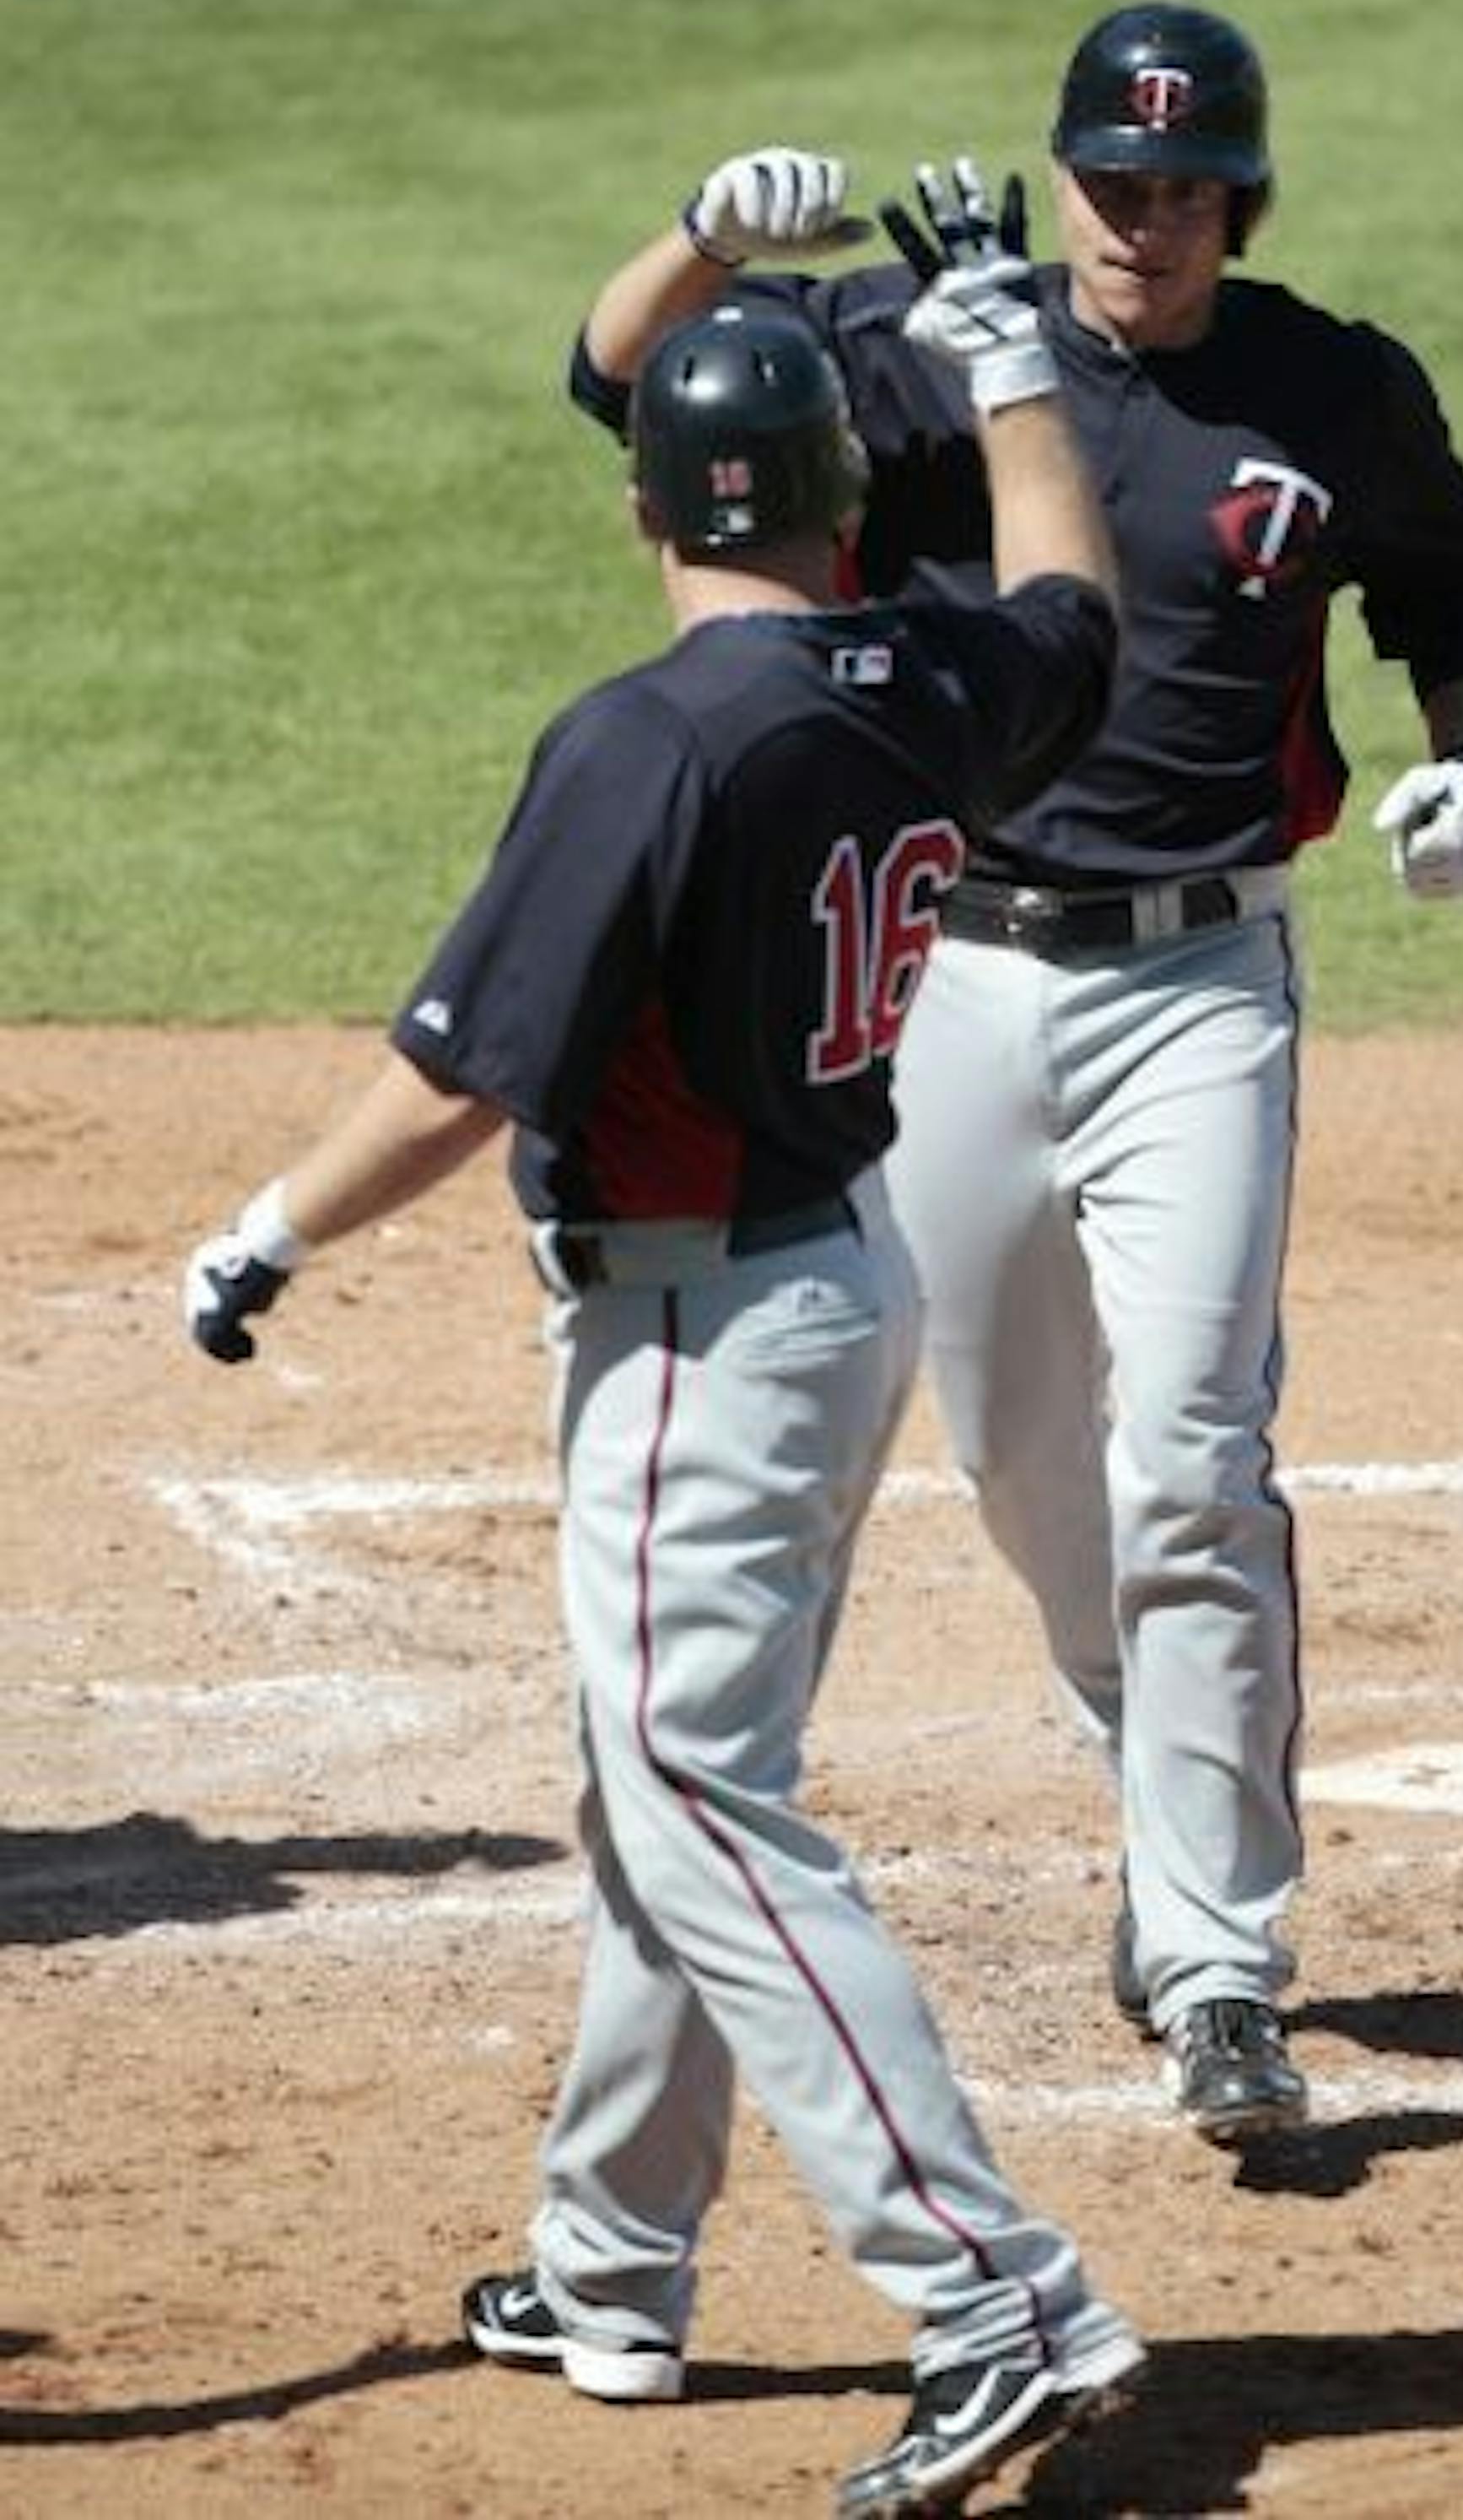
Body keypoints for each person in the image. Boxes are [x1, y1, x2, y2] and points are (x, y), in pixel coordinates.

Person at [180, 229, 1145, 2520]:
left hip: (706, 1332)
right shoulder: (920, 676)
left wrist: (265, 1232)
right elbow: (1077, 627)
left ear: (649, 507)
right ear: (833, 499)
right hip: (837, 1280)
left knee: (701, 1789)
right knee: (664, 1783)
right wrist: (1016, 380)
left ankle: (989, 2288)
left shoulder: (646, 736)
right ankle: (610, 2266)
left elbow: (458, 1080)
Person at [563, 0, 1463, 2152]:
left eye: (1188, 190)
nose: (1145, 221)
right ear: (1067, 169)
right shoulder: (919, 338)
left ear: (1240, 200)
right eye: (1114, 178)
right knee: (1023, 1463)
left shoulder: (1328, 388)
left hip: (1206, 981)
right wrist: (703, 239)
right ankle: (1143, 1726)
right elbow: (623, 386)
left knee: (1192, 1449)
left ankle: (1217, 1964)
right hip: (956, 977)